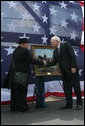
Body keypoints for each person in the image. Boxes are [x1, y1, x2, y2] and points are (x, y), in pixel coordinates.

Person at [4, 38, 44, 112]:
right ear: (23, 44)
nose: (28, 45)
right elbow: (31, 60)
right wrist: (42, 62)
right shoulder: (24, 51)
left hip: (14, 75)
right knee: (22, 92)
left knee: (15, 92)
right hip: (21, 75)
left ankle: (14, 107)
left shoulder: (16, 50)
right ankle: (24, 108)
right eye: (27, 44)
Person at [43, 36, 82, 110]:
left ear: (57, 41)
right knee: (67, 88)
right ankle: (69, 104)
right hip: (64, 73)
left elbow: (72, 55)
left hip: (72, 70)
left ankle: (79, 104)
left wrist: (73, 66)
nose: (50, 43)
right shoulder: (55, 51)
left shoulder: (65, 44)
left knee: (76, 88)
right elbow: (53, 62)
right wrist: (45, 63)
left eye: (52, 42)